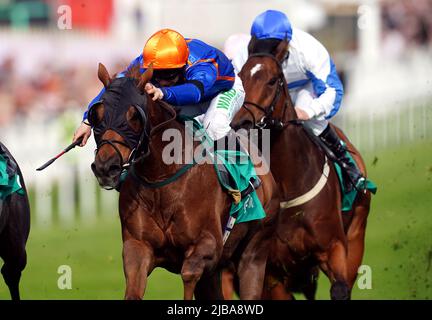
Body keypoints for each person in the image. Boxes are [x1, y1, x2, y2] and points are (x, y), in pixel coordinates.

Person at [231, 10, 365, 191]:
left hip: (304, 89)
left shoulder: (307, 48)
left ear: (287, 41)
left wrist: (307, 112)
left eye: (274, 46)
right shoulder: (244, 54)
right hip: (267, 94)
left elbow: (332, 90)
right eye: (263, 45)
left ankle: (347, 165)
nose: (268, 51)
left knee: (312, 122)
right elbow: (233, 90)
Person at [73, 28, 245, 147]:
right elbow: (116, 87)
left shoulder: (203, 62)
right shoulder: (143, 62)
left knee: (214, 126)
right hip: (181, 96)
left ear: (183, 65)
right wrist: (87, 121)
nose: (162, 80)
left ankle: (248, 176)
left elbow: (195, 92)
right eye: (157, 75)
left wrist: (162, 92)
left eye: (168, 75)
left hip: (223, 91)